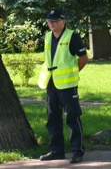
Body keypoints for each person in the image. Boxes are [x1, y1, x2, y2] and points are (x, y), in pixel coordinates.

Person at [37, 9, 88, 164]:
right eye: (49, 21)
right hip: (51, 84)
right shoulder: (47, 37)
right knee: (53, 118)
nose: (51, 23)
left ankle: (77, 152)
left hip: (67, 85)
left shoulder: (72, 36)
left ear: (63, 21)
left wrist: (72, 73)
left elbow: (83, 58)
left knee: (72, 117)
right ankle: (56, 151)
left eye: (54, 21)